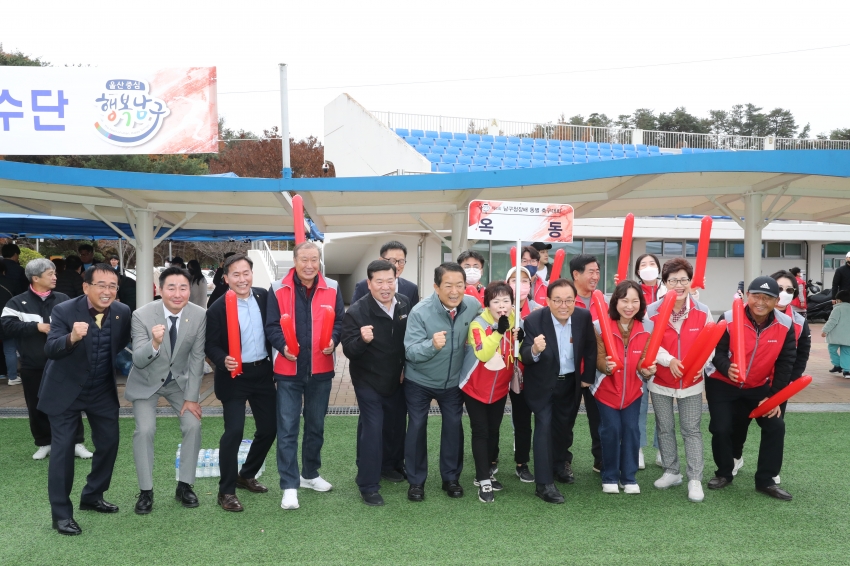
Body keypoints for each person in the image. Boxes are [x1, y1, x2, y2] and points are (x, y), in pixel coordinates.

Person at [40, 264, 132, 535]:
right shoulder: (64, 310)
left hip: (101, 390)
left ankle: (92, 495)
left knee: (109, 443)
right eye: (101, 285)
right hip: (65, 391)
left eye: (112, 286)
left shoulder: (122, 312)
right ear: (86, 287)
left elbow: (120, 343)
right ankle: (61, 515)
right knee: (63, 451)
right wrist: (72, 337)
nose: (107, 291)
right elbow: (51, 348)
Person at [265, 242, 344, 511]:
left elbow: (340, 323)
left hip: (320, 368)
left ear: (319, 261)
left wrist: (334, 340)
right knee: (287, 428)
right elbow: (272, 326)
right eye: (304, 259)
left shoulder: (332, 287)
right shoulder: (277, 289)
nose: (309, 265)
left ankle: (310, 474)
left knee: (316, 426)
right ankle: (289, 485)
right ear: (295, 261)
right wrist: (282, 347)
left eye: (314, 259)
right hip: (288, 370)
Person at [706, 276, 796, 501]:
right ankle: (724, 473)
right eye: (756, 296)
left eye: (768, 298)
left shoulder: (785, 325)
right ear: (747, 296)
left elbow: (786, 364)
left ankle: (766, 480)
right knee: (721, 428)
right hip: (723, 384)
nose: (761, 302)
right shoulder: (728, 318)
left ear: (776, 301)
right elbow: (717, 352)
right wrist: (727, 368)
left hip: (758, 386)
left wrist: (773, 397)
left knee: (776, 426)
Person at [126, 266, 206, 515]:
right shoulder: (141, 315)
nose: (177, 293)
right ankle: (146, 491)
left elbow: (196, 359)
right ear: (160, 290)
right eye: (171, 287)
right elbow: (138, 360)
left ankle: (184, 485)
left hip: (178, 383)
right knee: (145, 430)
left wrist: (192, 398)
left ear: (190, 290)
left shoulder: (199, 314)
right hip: (146, 380)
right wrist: (155, 343)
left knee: (193, 425)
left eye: (183, 287)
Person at [403, 263, 481, 502]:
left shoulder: (473, 306)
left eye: (460, 285)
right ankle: (416, 482)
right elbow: (411, 352)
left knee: (453, 426)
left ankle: (451, 478)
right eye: (448, 285)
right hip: (419, 380)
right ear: (437, 287)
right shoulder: (420, 312)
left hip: (452, 382)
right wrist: (431, 345)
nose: (455, 291)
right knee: (416, 426)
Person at [205, 254, 277, 512]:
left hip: (262, 372)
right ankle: (226, 491)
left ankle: (246, 474)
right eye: (235, 274)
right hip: (234, 377)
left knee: (269, 428)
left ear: (252, 274)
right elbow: (210, 344)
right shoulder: (217, 307)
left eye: (245, 273)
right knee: (234, 432)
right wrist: (223, 359)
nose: (242, 279)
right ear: (225, 279)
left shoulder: (264, 297)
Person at [1, 259, 92, 460]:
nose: (55, 277)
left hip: (63, 362)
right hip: (33, 365)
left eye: (54, 273)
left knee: (70, 403)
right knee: (36, 405)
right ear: (35, 278)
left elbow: (78, 321)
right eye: (50, 274)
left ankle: (76, 442)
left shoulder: (64, 299)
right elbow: (5, 326)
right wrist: (36, 327)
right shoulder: (16, 302)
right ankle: (44, 442)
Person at [730, 270, 812, 484]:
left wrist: (781, 391)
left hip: (778, 386)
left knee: (774, 427)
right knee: (739, 423)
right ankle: (735, 458)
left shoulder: (799, 322)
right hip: (751, 383)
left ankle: (768, 473)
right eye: (780, 288)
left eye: (789, 290)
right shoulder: (751, 313)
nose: (784, 293)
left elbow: (799, 356)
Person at [520, 279, 596, 503]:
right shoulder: (534, 320)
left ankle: (558, 466)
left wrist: (587, 377)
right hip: (542, 384)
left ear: (575, 301)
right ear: (547, 301)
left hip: (570, 383)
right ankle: (544, 484)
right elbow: (524, 353)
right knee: (543, 428)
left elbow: (591, 348)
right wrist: (534, 349)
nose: (564, 305)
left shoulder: (583, 317)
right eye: (558, 300)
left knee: (564, 428)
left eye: (569, 300)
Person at [341, 259, 410, 506]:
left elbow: (407, 340)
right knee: (373, 428)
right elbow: (349, 350)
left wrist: (405, 367)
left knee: (395, 424)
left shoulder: (403, 303)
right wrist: (362, 340)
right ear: (369, 284)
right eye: (379, 281)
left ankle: (390, 465)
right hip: (367, 380)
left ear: (396, 280)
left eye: (390, 281)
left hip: (396, 377)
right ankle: (368, 485)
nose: (385, 286)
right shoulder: (357, 312)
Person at [645, 258, 712, 503]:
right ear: (664, 283)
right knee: (664, 427)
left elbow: (711, 343)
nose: (679, 285)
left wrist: (701, 365)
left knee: (691, 430)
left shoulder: (703, 311)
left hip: (692, 382)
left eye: (684, 279)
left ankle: (694, 478)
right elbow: (649, 342)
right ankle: (672, 471)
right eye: (673, 280)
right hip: (661, 379)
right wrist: (669, 360)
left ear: (690, 282)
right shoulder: (652, 310)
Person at [592, 281, 654, 494]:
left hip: (633, 392)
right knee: (611, 430)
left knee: (631, 430)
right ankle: (609, 475)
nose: (629, 306)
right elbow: (598, 358)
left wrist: (647, 370)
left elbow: (644, 360)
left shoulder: (647, 327)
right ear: (615, 301)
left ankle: (628, 477)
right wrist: (606, 366)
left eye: (635, 301)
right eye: (624, 300)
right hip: (606, 390)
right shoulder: (600, 325)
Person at [459, 281, 516, 503]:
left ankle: (489, 469)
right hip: (475, 387)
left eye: (506, 301)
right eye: (496, 301)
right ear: (487, 304)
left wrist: (517, 337)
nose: (502, 306)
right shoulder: (477, 324)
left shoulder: (514, 320)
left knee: (494, 431)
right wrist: (499, 332)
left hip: (500, 388)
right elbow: (483, 354)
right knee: (481, 431)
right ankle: (483, 479)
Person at [568, 253, 604, 472]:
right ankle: (563, 460)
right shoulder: (565, 299)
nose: (595, 276)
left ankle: (601, 459)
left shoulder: (603, 300)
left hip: (597, 372)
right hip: (570, 371)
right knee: (565, 419)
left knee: (599, 419)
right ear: (576, 274)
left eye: (598, 272)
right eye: (591, 271)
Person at [505, 266, 541, 483]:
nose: (520, 285)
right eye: (514, 280)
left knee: (523, 420)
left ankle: (522, 462)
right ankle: (490, 461)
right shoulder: (498, 308)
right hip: (499, 372)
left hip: (526, 374)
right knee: (490, 419)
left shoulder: (538, 310)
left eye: (525, 280)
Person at [351, 241, 419, 308]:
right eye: (392, 260)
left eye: (401, 261)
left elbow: (414, 316)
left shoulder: (412, 289)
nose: (397, 266)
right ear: (381, 260)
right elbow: (354, 313)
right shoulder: (363, 286)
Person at [823, 290, 850, 378]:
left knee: (832, 349)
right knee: (846, 352)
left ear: (839, 300)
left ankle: (837, 365)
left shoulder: (837, 308)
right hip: (848, 337)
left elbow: (832, 321)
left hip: (836, 336)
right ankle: (847, 371)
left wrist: (825, 330)